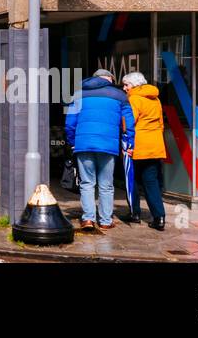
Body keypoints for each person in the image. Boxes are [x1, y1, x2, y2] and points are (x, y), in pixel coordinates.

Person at [64, 68, 134, 232]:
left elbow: (70, 122)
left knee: (87, 183)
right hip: (108, 145)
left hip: (84, 144)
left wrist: (73, 142)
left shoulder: (79, 94)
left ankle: (88, 219)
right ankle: (105, 220)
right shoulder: (120, 96)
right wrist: (129, 144)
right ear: (109, 79)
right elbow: (128, 123)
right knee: (106, 185)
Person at [122, 71, 167, 230]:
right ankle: (159, 217)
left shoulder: (133, 99)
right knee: (151, 182)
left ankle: (134, 213)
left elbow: (128, 123)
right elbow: (161, 124)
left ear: (134, 85)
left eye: (126, 85)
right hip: (155, 145)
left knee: (132, 180)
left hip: (137, 146)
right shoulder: (156, 99)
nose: (124, 88)